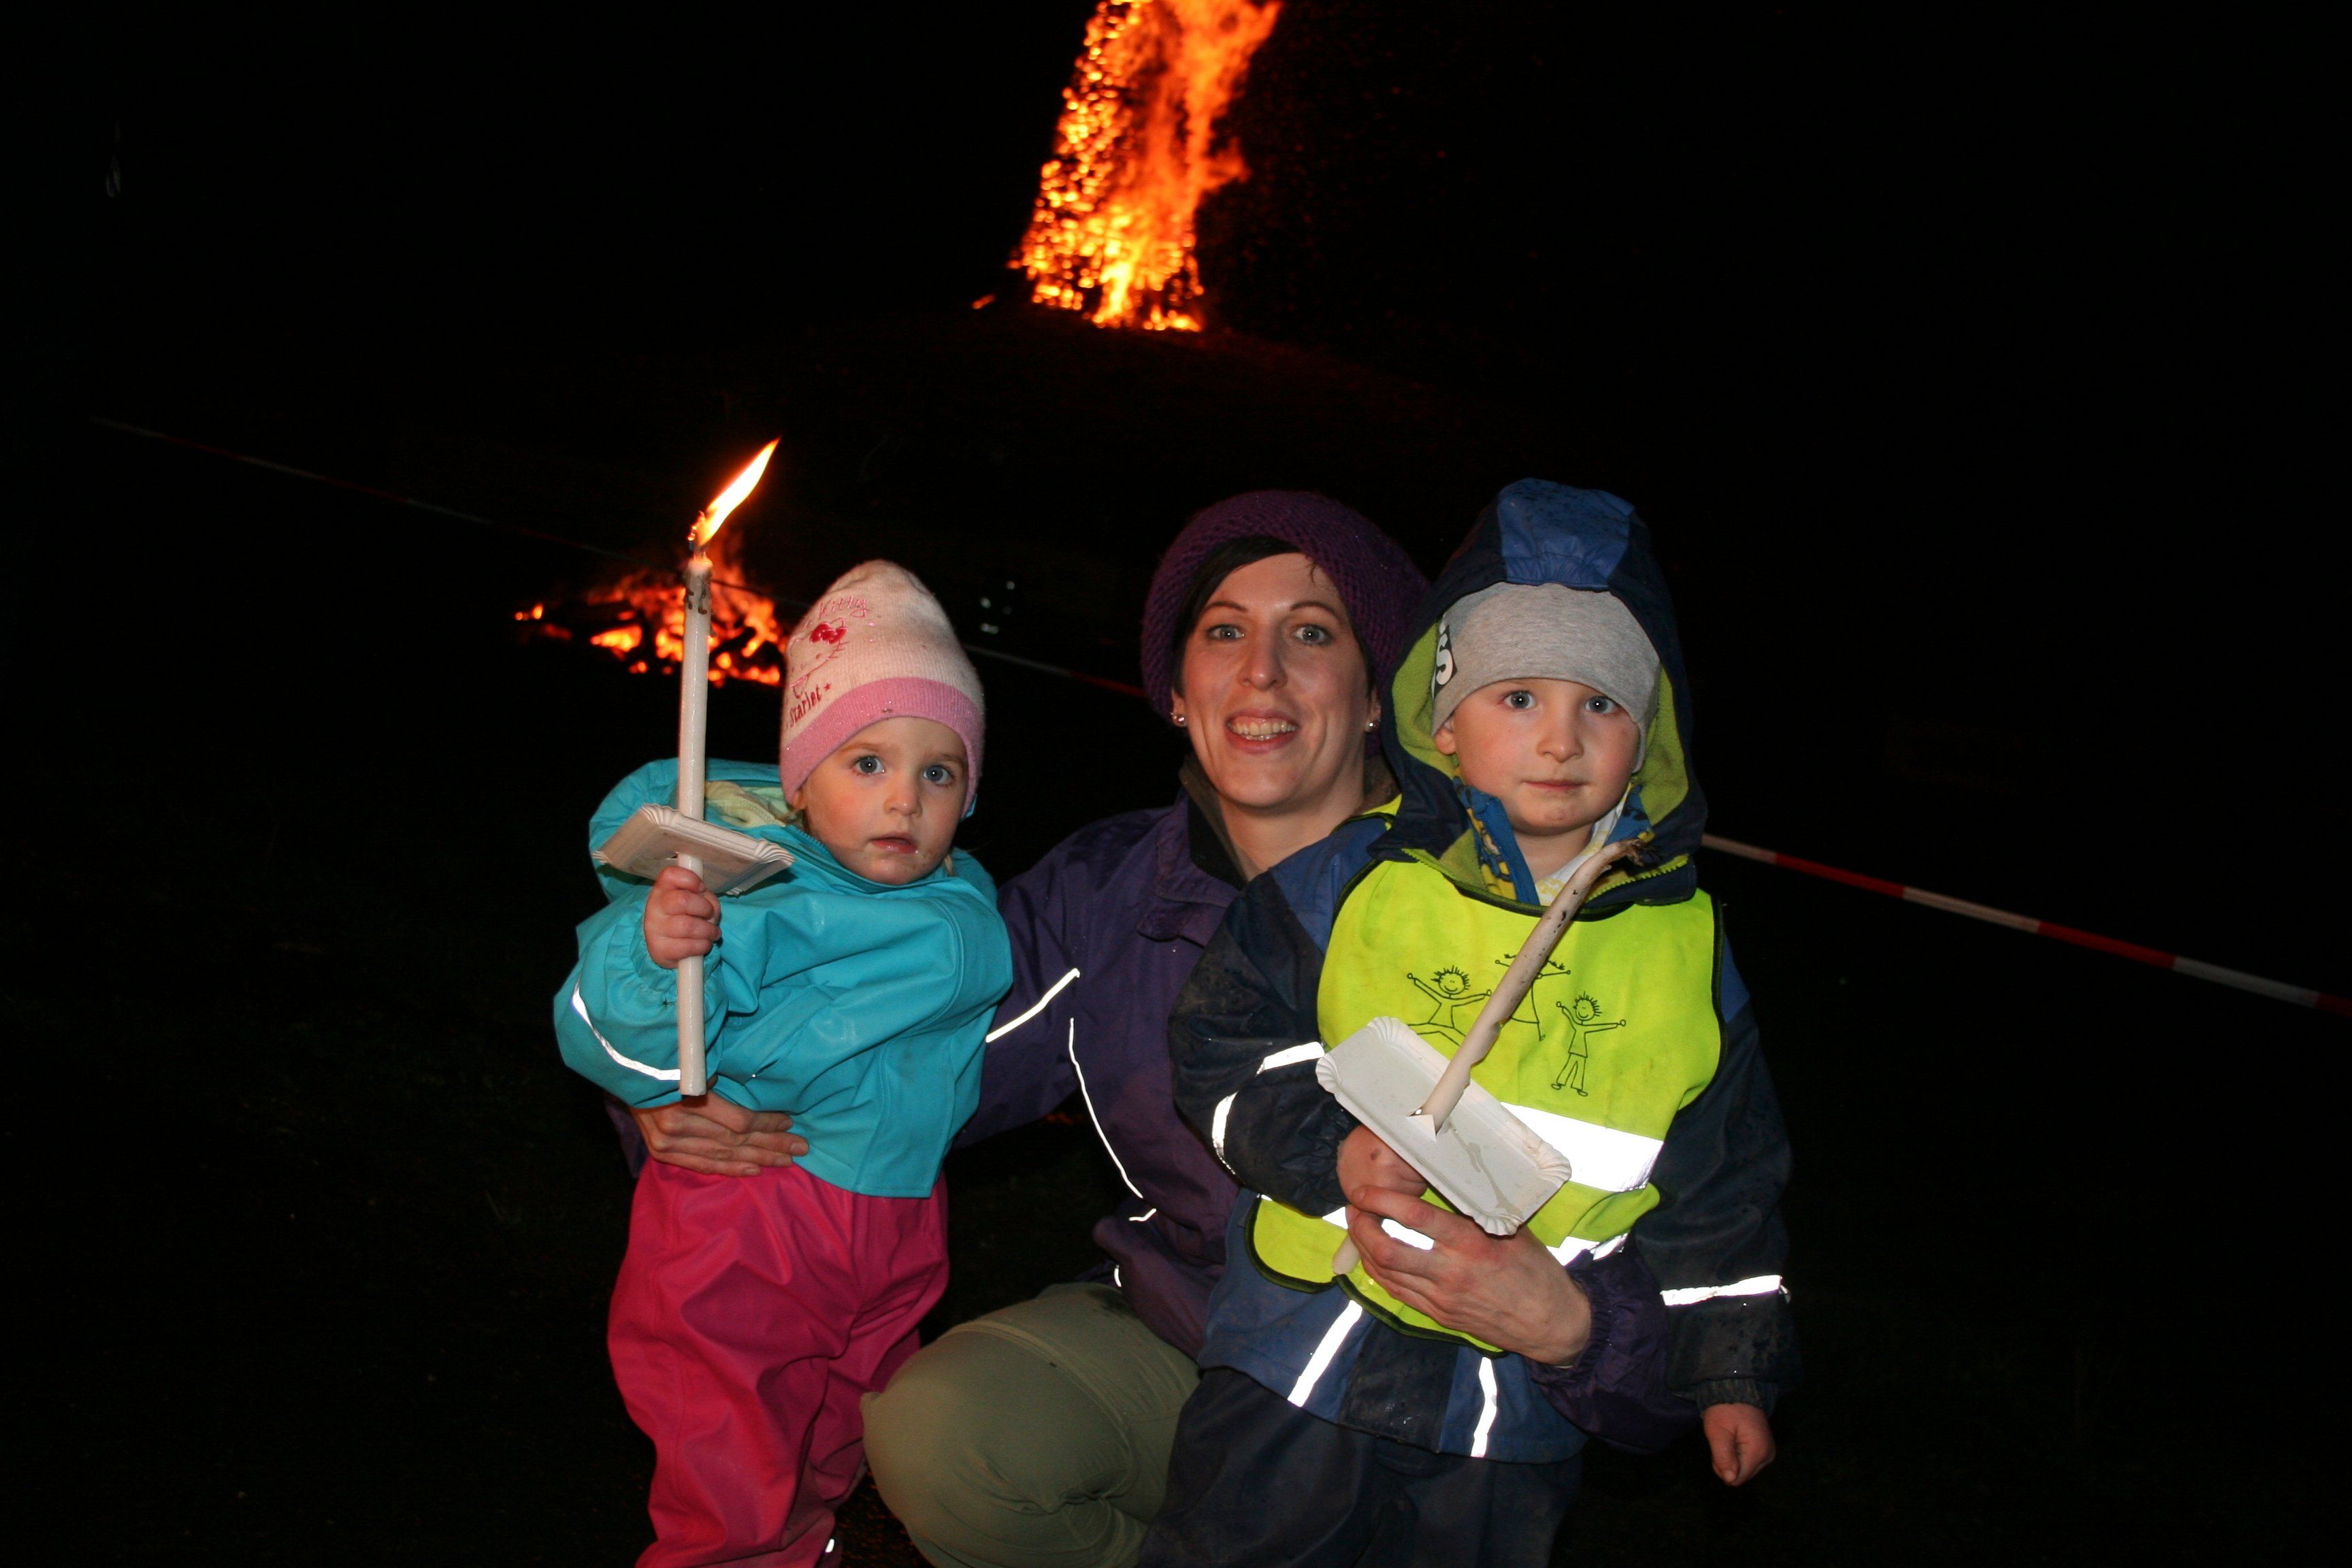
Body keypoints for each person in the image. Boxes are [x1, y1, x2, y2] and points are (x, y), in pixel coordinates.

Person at [1142, 480, 1800, 1566]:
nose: (1561, 740)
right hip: (1303, 1352)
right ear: (1444, 724)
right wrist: (1326, 1148)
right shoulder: (1349, 883)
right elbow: (1220, 1043)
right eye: (1519, 697)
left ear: (1650, 737)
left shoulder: (1688, 952)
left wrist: (1733, 1371)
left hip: (1510, 1408)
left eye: (1602, 705)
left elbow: (1725, 1183)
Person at [860, 491, 1430, 1568]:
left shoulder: (1478, 903)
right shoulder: (1111, 890)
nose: (1261, 673)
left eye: (1312, 633)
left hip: (1412, 1382)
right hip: (1190, 1339)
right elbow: (904, 1066)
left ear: (1373, 695)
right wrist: (690, 1085)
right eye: (1224, 632)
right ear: (1177, 690)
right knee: (949, 1433)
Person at [555, 561, 1013, 1568]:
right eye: (867, 763)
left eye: (939, 772)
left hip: (895, 1221)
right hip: (755, 1215)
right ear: (800, 785)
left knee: (840, 1428)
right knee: (730, 1455)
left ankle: (807, 1545)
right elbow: (607, 1024)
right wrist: (657, 957)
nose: (904, 799)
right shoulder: (750, 894)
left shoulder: (958, 897)